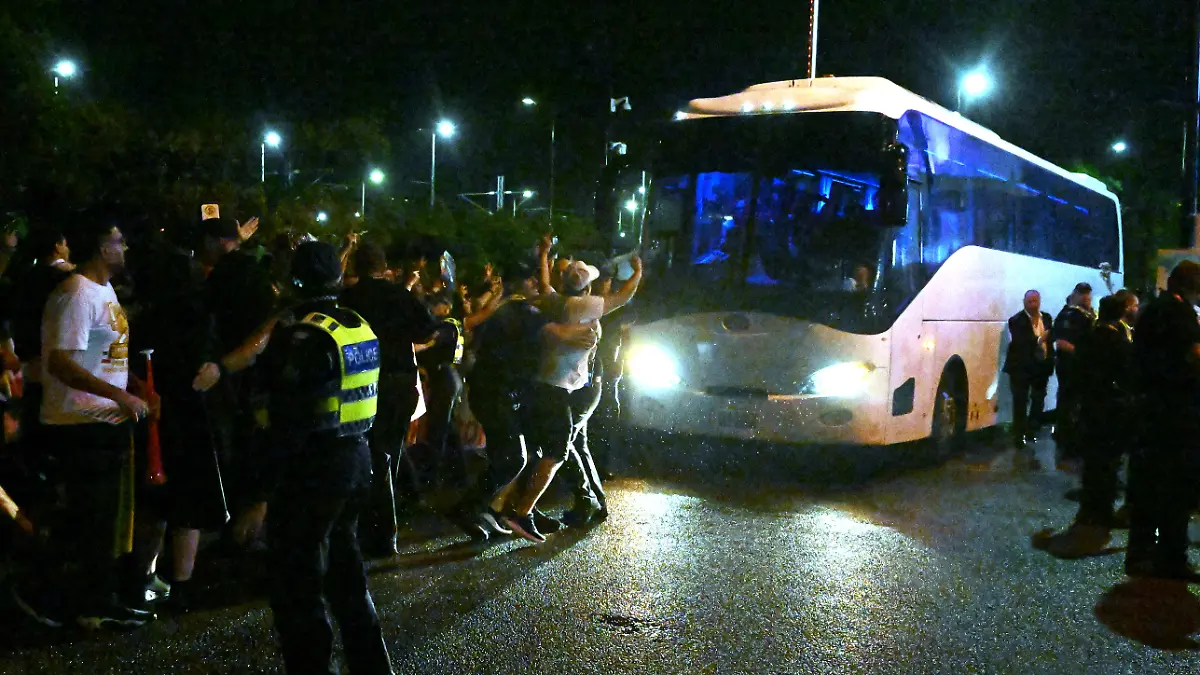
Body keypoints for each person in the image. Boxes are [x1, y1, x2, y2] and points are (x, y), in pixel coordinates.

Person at [11, 215, 156, 629]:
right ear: (99, 246)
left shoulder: (103, 290)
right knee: (86, 520)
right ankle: (64, 601)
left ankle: (98, 600)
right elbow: (60, 362)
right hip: (77, 424)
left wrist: (137, 389)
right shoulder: (75, 294)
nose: (124, 247)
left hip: (104, 422)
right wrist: (118, 395)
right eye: (118, 240)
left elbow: (106, 357)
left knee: (102, 522)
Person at [257, 241, 393, 673]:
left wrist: (262, 490)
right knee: (346, 575)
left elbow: (292, 416)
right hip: (357, 456)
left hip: (315, 465)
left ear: (295, 280)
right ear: (337, 276)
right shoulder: (356, 325)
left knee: (299, 581)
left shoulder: (306, 334)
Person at [501, 246, 643, 543]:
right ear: (589, 287)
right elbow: (625, 296)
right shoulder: (584, 307)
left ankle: (513, 506)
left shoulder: (553, 303)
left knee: (549, 448)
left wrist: (542, 258)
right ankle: (521, 511)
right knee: (558, 450)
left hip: (543, 385)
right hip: (558, 389)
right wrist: (638, 272)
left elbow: (544, 286)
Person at [340, 241, 438, 557]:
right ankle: (383, 531)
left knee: (363, 453)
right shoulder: (401, 296)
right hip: (398, 382)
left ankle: (365, 528)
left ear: (356, 266)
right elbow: (426, 331)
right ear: (383, 267)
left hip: (360, 382)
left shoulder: (349, 298)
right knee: (387, 455)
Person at [1031, 291, 1138, 558]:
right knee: (1107, 463)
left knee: (1095, 463)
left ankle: (1092, 510)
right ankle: (1100, 512)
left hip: (1092, 410)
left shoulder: (1091, 338)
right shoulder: (1116, 340)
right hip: (1110, 411)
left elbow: (1078, 372)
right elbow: (1128, 374)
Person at [1125, 262, 1200, 580]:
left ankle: (1140, 554)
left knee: (1146, 485)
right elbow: (1194, 357)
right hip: (1175, 416)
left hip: (1149, 413)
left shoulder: (1152, 310)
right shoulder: (1180, 314)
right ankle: (1171, 557)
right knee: (1175, 489)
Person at [1003, 290, 1055, 449]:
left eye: (1035, 301)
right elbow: (1022, 342)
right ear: (1024, 302)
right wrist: (1041, 339)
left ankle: (1032, 430)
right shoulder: (1016, 320)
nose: (1033, 304)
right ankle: (1019, 436)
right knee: (1020, 401)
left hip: (1041, 366)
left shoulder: (1046, 318)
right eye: (1029, 301)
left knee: (1038, 399)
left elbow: (1051, 338)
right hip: (1022, 368)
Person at [1052, 282, 1095, 460]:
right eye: (1083, 294)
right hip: (1071, 366)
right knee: (1069, 401)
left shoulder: (1087, 314)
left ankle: (1071, 438)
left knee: (1074, 402)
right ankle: (1067, 440)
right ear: (1075, 294)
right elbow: (1062, 342)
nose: (1086, 298)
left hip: (1079, 365)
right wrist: (1080, 354)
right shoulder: (1069, 315)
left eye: (1088, 294)